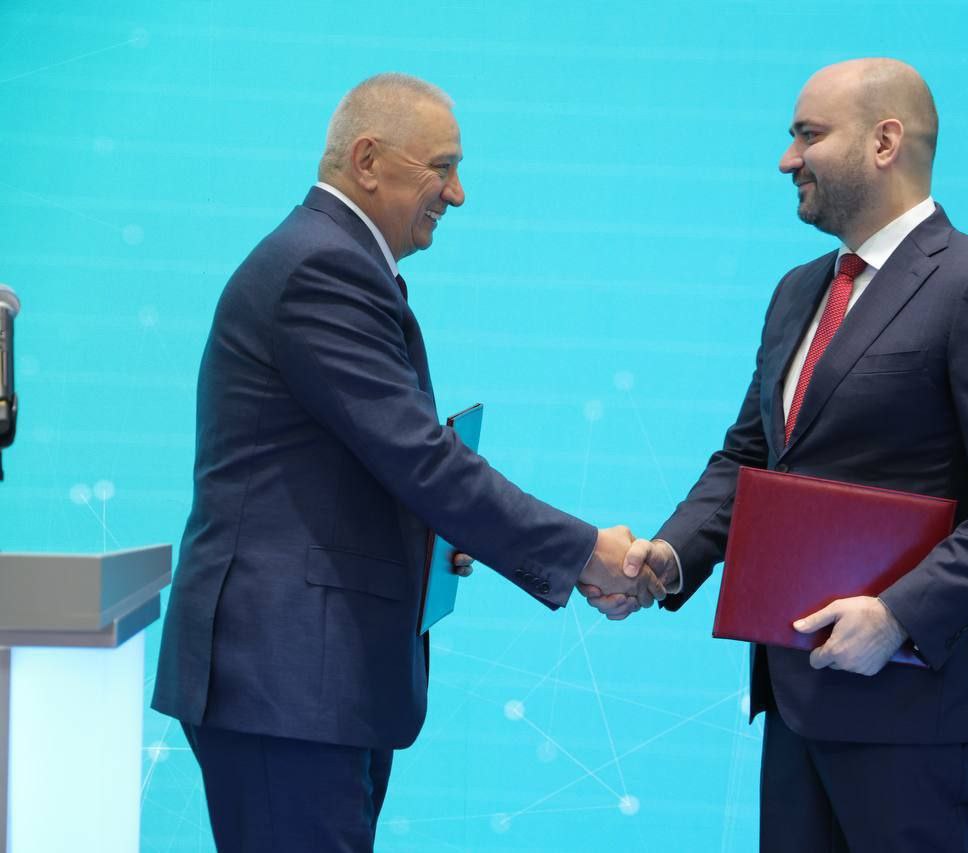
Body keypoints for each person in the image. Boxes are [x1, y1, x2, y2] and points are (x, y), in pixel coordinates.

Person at [151, 72, 660, 852]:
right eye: (441, 167)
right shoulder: (323, 267)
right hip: (285, 680)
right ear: (366, 160)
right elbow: (423, 459)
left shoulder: (329, 259)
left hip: (309, 684)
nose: (457, 193)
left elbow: (365, 464)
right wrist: (587, 551)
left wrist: (429, 532)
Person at [585, 58, 968, 851]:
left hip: (913, 713)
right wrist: (669, 557)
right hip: (796, 699)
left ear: (885, 142)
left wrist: (899, 616)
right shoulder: (798, 290)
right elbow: (752, 458)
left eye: (809, 135)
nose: (788, 159)